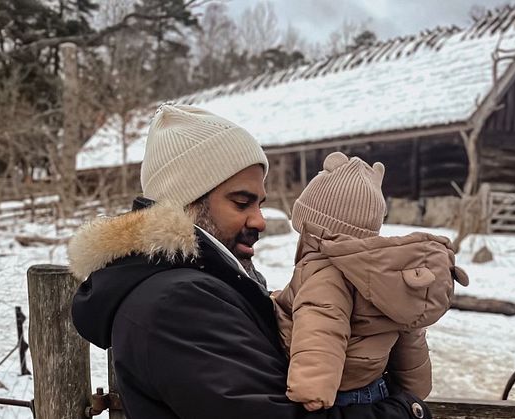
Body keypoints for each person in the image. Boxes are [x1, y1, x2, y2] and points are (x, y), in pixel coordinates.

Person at [69, 104, 433, 419]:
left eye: (260, 202)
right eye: (242, 203)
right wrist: (406, 411)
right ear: (186, 204)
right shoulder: (177, 304)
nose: (259, 220)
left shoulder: (204, 284)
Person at [272, 152, 469, 412]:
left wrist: (313, 388)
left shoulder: (324, 271)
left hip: (338, 397)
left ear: (312, 225)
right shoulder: (382, 274)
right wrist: (414, 390)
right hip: (376, 390)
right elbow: (410, 333)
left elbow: (322, 325)